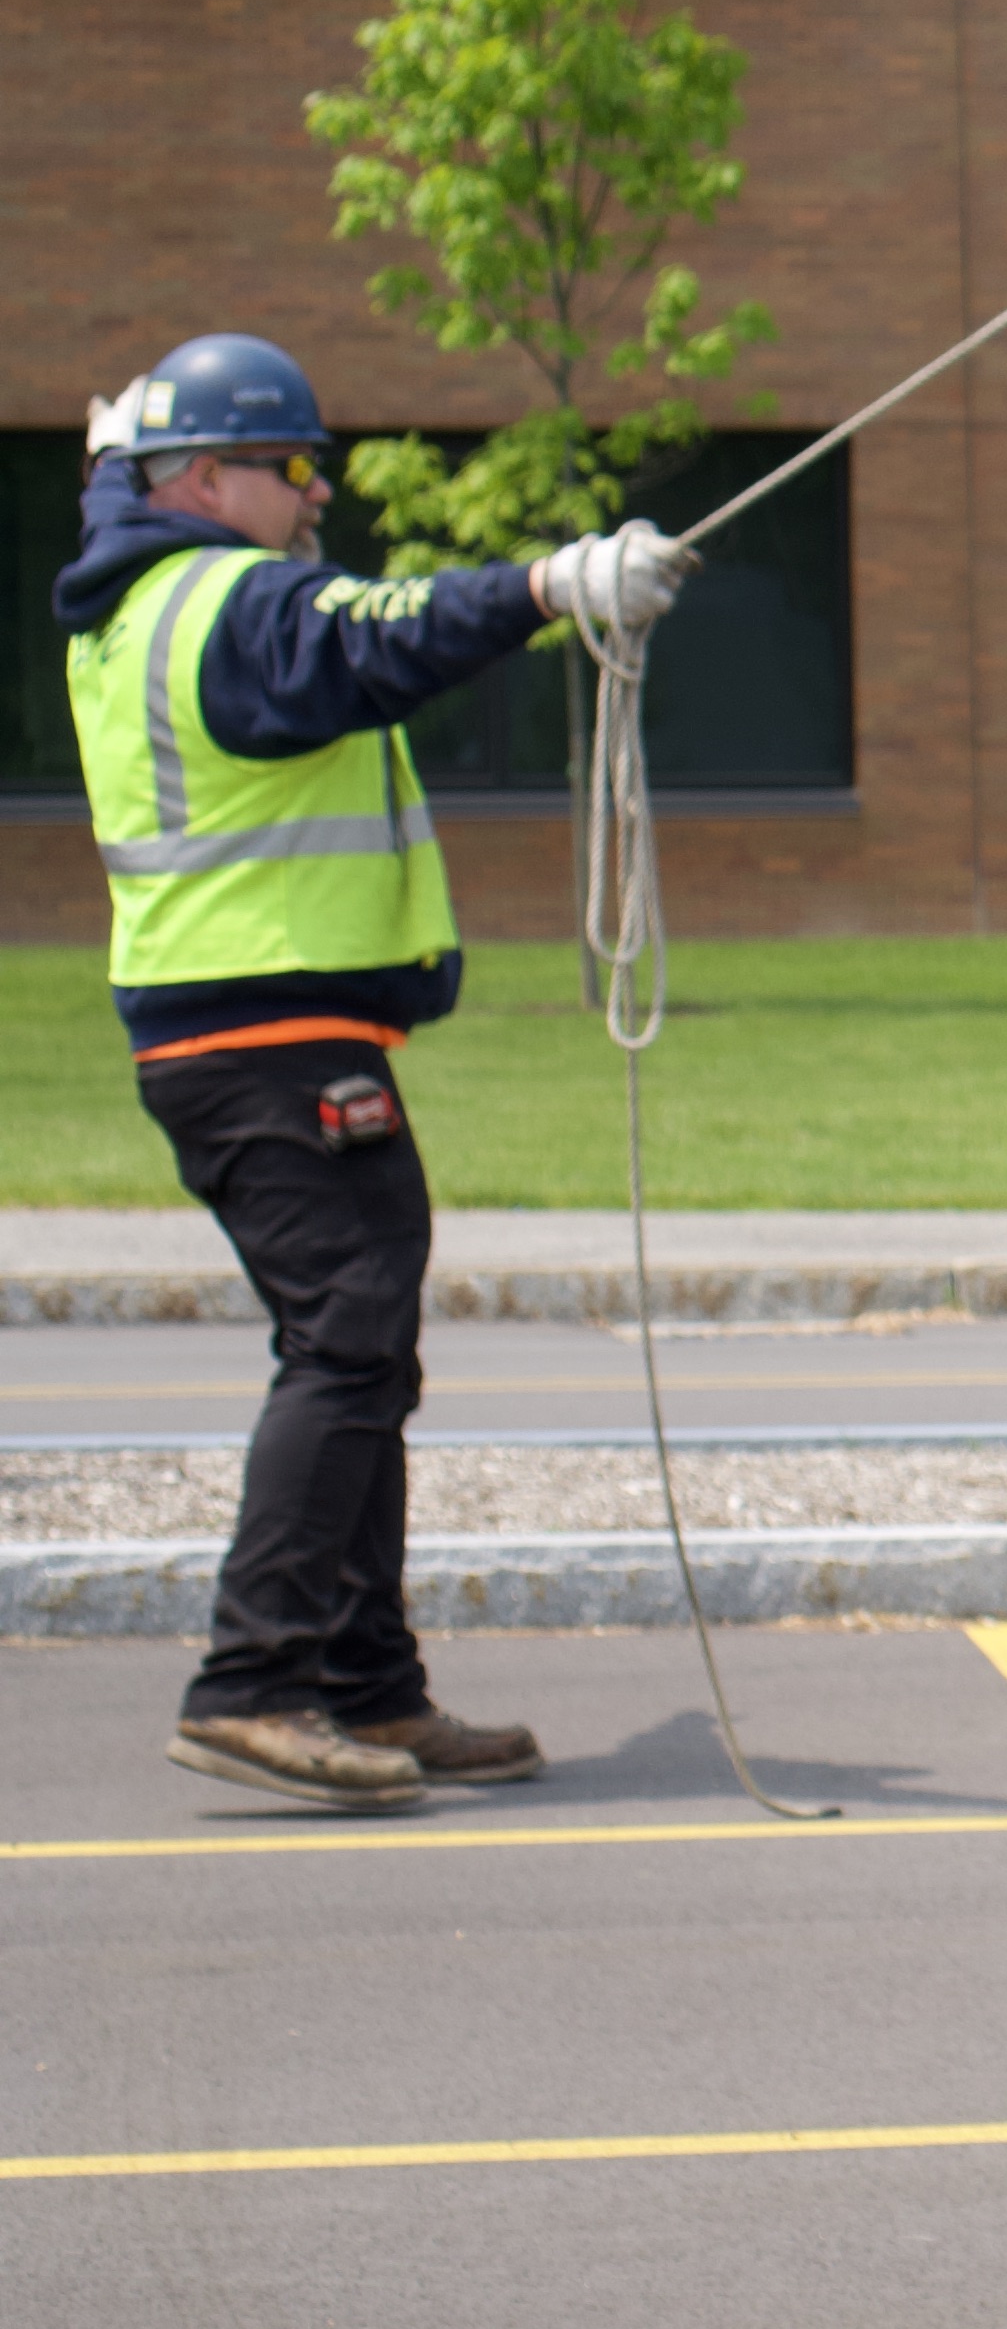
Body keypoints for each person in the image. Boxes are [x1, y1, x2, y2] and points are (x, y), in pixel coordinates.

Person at [60, 332, 699, 1813]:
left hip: (258, 1034)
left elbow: (306, 603)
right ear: (202, 478)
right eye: (291, 469)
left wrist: (112, 455)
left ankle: (364, 1687)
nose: (314, 495)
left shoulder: (136, 589)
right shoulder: (225, 599)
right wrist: (550, 586)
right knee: (345, 1346)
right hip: (264, 1038)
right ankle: (255, 1686)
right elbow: (379, 633)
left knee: (363, 1348)